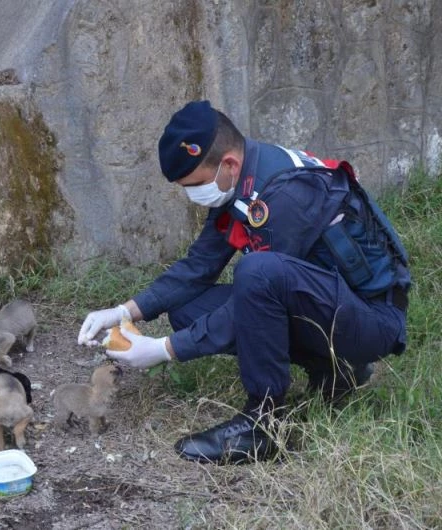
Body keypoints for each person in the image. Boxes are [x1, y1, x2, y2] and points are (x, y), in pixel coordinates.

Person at [77, 100, 410, 465]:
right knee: (187, 307)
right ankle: (335, 369)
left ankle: (262, 425)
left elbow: (255, 298)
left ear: (229, 164)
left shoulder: (283, 193)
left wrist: (165, 349)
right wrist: (123, 312)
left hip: (371, 321)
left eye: (195, 185)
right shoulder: (243, 180)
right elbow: (199, 266)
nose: (193, 196)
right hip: (330, 305)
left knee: (257, 272)